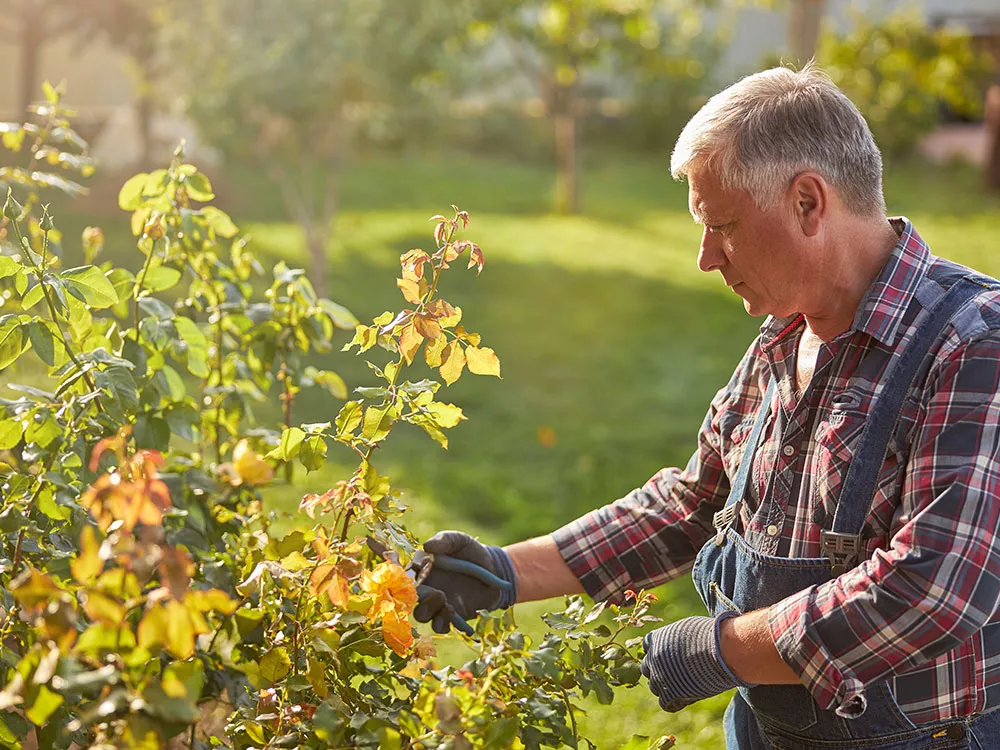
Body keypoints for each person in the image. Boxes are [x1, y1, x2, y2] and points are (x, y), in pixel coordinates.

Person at [413, 63, 1000, 749]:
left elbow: (933, 589)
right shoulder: (786, 335)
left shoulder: (972, 344)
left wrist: (723, 648)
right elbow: (694, 501)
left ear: (808, 203)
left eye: (722, 225)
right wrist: (504, 571)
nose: (703, 258)